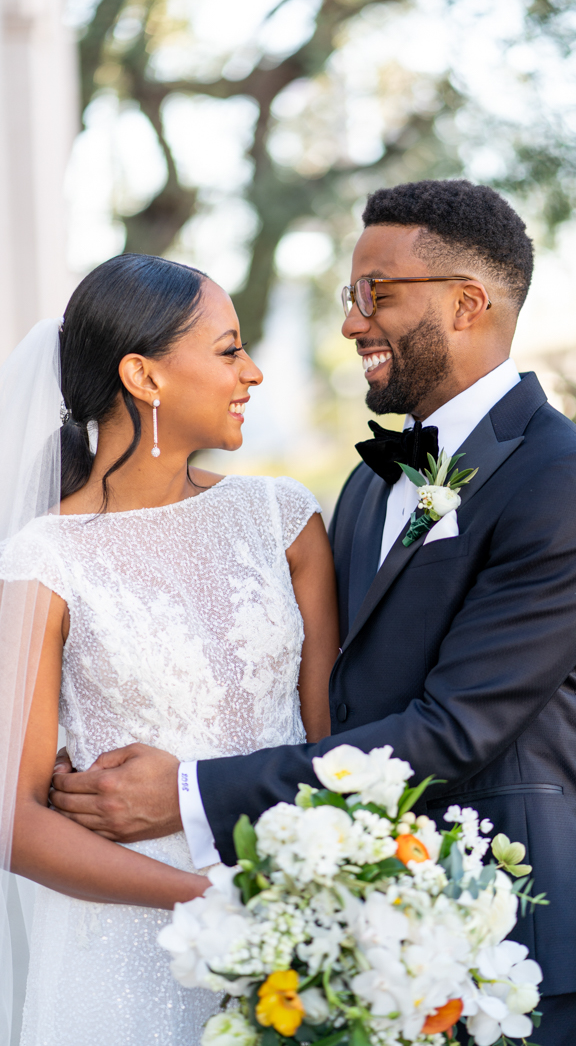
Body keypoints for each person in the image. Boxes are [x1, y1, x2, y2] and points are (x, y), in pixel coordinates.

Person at [52, 180, 576, 1046]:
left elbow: (454, 730)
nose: (352, 322)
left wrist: (187, 792)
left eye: (378, 294)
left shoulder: (565, 482)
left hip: (515, 924)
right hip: (354, 918)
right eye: (349, 295)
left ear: (468, 303)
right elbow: (329, 686)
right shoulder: (371, 481)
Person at [0, 253, 339, 1046]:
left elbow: (334, 751)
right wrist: (209, 901)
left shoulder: (283, 519)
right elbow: (14, 820)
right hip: (121, 952)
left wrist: (290, 904)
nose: (251, 372)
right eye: (227, 351)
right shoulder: (43, 564)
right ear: (143, 378)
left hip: (289, 933)